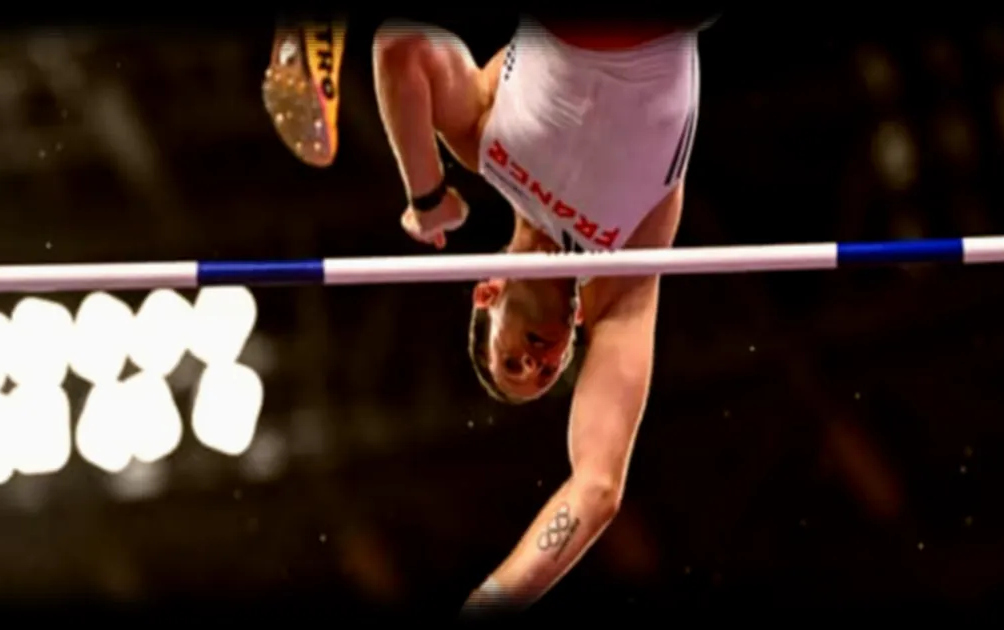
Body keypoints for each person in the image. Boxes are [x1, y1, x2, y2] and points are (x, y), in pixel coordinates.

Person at [266, 13, 707, 615]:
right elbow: (597, 489)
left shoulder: (483, 140)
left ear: (488, 290)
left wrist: (427, 198)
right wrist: (492, 601)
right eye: (545, 373)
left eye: (512, 360)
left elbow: (399, 45)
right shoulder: (625, 274)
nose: (538, 362)